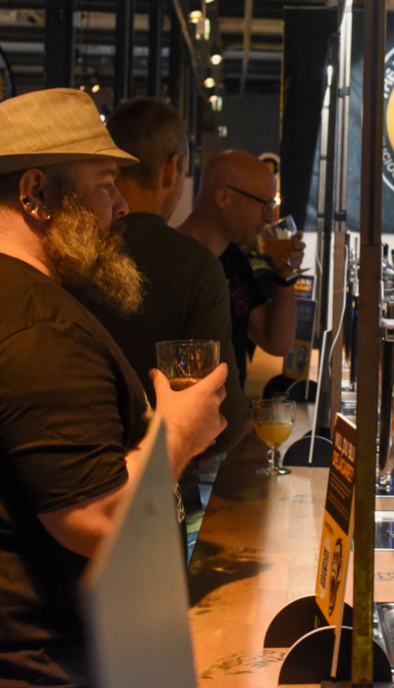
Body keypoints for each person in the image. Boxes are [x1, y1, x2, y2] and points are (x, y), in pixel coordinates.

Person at [0, 88, 228, 686]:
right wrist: (179, 431)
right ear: (36, 193)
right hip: (27, 669)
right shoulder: (36, 324)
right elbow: (97, 518)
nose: (121, 207)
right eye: (105, 185)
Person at [74, 97, 247, 551]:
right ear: (172, 169)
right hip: (162, 499)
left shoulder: (70, 256)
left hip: (69, 496)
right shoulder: (196, 266)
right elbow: (225, 415)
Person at [178, 149, 304, 387]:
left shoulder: (235, 261)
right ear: (224, 197)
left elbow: (277, 343)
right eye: (264, 205)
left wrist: (284, 276)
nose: (270, 218)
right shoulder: (173, 260)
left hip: (229, 409)